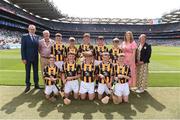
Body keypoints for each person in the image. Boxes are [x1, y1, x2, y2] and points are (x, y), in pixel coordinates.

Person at [21, 24, 40, 93]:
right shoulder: (24, 36)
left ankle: (36, 84)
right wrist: (23, 58)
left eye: (33, 29)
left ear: (35, 30)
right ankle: (28, 85)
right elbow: (22, 48)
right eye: (31, 29)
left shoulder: (37, 37)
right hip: (27, 58)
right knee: (28, 72)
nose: (32, 30)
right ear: (28, 29)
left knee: (36, 71)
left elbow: (38, 47)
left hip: (35, 57)